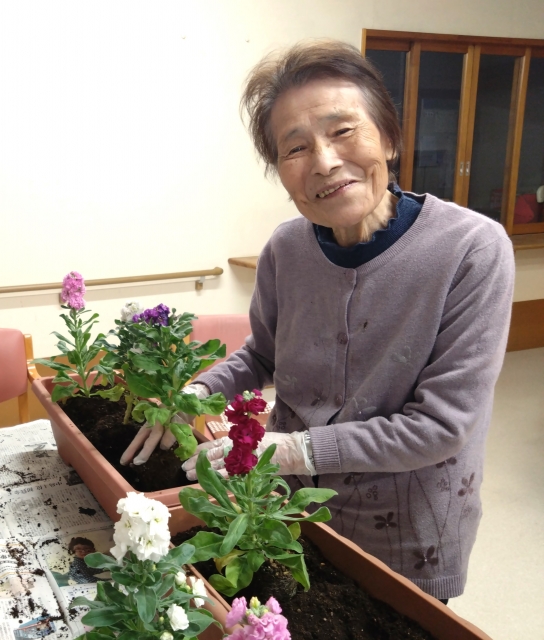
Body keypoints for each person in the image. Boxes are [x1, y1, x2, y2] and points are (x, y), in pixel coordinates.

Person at [121, 40, 515, 602]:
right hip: (287, 511)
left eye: (343, 131)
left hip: (406, 532)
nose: (325, 162)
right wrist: (193, 394)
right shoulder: (286, 248)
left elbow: (441, 426)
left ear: (390, 137)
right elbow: (263, 354)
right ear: (281, 172)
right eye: (296, 148)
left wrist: (289, 449)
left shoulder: (471, 249)